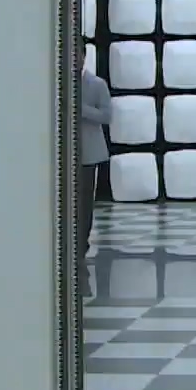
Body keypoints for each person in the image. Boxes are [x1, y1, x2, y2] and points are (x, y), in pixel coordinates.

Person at [77, 59, 111, 255]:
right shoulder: (58, 83)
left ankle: (82, 241)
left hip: (88, 151)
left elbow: (107, 116)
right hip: (65, 151)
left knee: (85, 199)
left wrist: (81, 109)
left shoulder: (97, 84)